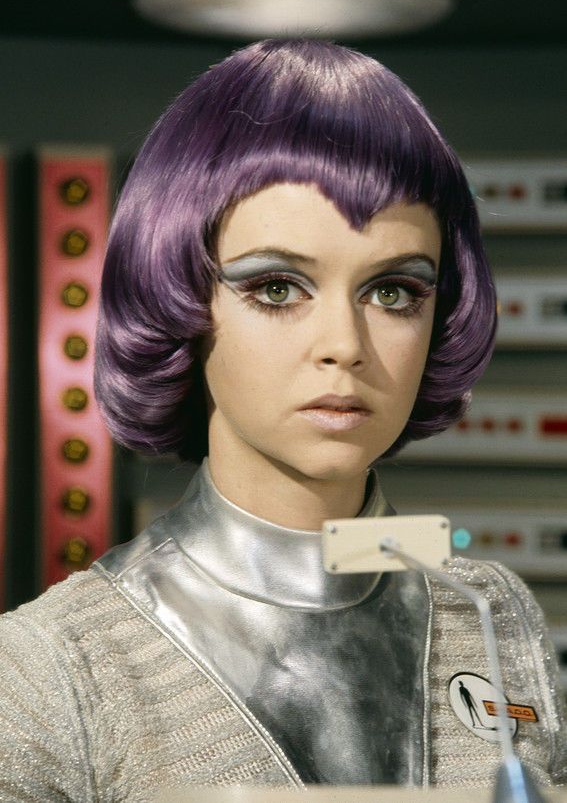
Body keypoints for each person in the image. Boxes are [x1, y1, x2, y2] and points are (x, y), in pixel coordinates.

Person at [0, 39, 565, 801]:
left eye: (393, 292)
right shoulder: (53, 668)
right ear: (178, 299)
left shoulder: (496, 618)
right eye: (276, 288)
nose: (344, 345)